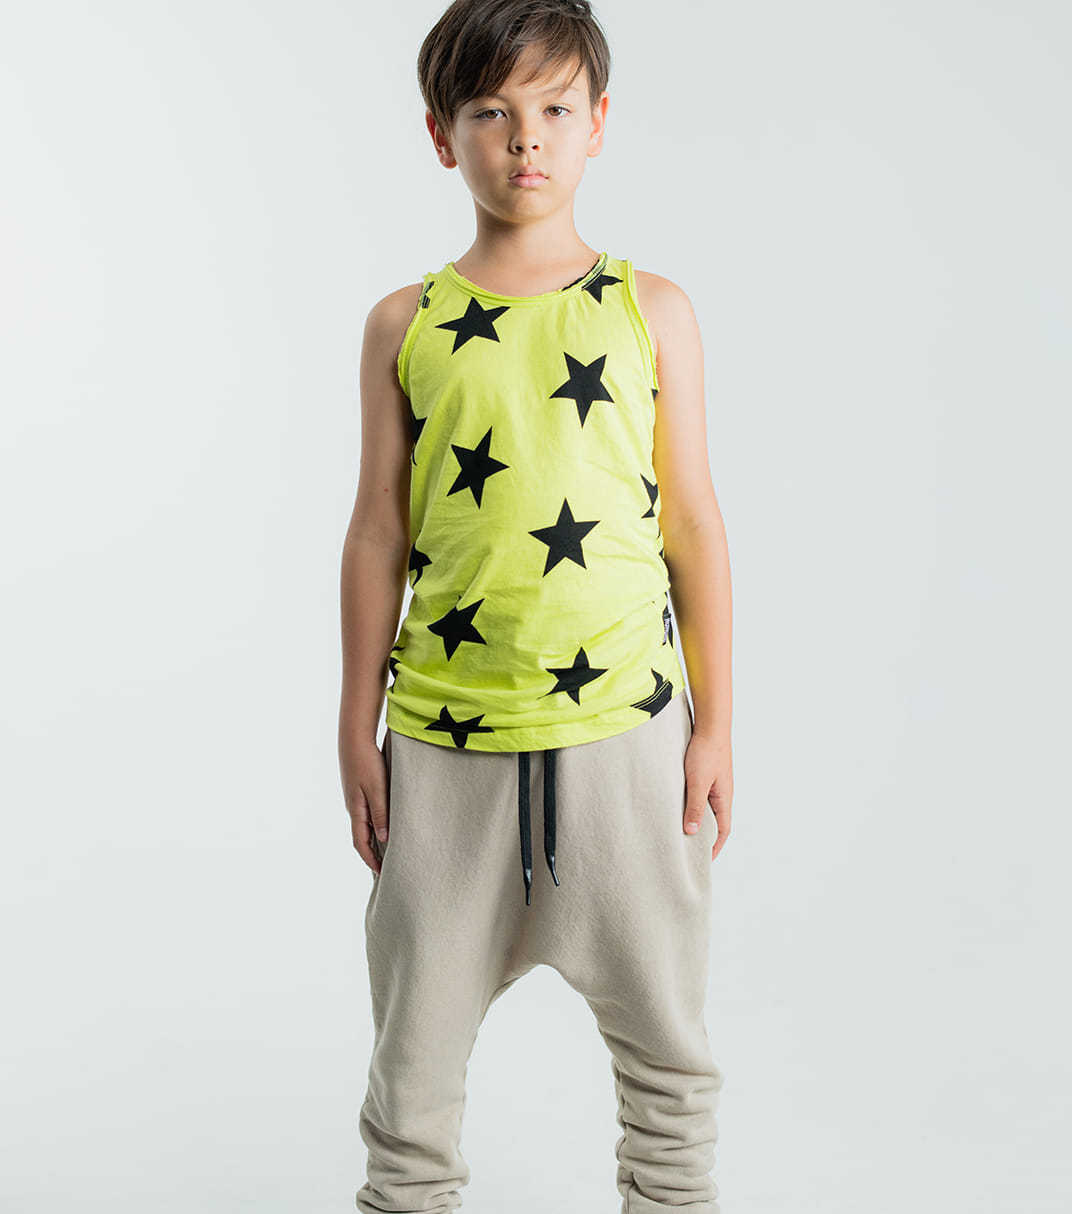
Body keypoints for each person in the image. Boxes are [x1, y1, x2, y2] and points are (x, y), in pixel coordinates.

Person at [338, 1, 734, 1210]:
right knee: (410, 1085)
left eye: (555, 108)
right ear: (440, 133)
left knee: (668, 1067)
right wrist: (355, 723)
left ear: (597, 123)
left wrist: (714, 725)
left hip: (627, 741)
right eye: (490, 112)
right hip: (443, 750)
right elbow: (377, 531)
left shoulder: (650, 309)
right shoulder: (404, 325)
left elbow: (692, 522)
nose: (526, 139)